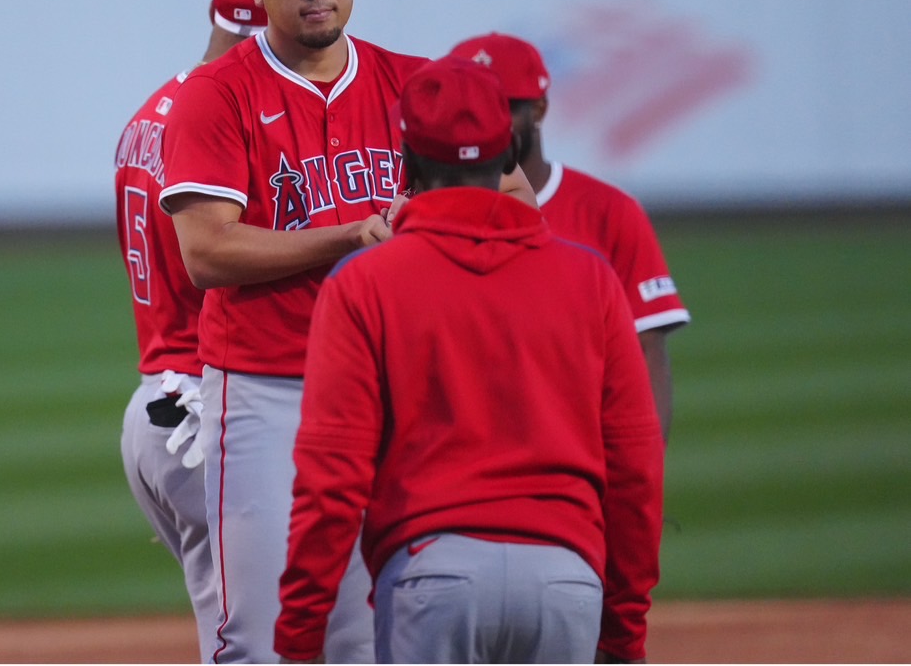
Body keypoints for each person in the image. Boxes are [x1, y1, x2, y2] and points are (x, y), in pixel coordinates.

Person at [160, 0, 536, 663]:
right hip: (269, 387)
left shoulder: (416, 83)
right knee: (258, 637)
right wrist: (351, 236)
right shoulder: (215, 94)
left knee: (383, 631)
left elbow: (515, 202)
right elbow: (206, 252)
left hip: (403, 388)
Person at [274, 56, 665, 664]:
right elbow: (636, 465)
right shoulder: (590, 278)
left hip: (432, 581)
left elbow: (332, 476)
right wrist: (624, 634)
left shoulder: (363, 284)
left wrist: (299, 639)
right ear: (508, 152)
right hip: (567, 583)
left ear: (406, 159)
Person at [115, 0, 267, 662]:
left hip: (156, 410)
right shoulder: (226, 122)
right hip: (206, 412)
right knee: (260, 642)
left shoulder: (152, 112)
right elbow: (223, 267)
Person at [450, 31, 690, 440]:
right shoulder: (423, 212)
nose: (482, 120)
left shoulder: (609, 212)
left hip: (577, 464)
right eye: (467, 106)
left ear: (539, 109)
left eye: (501, 106)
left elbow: (646, 351)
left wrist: (642, 488)